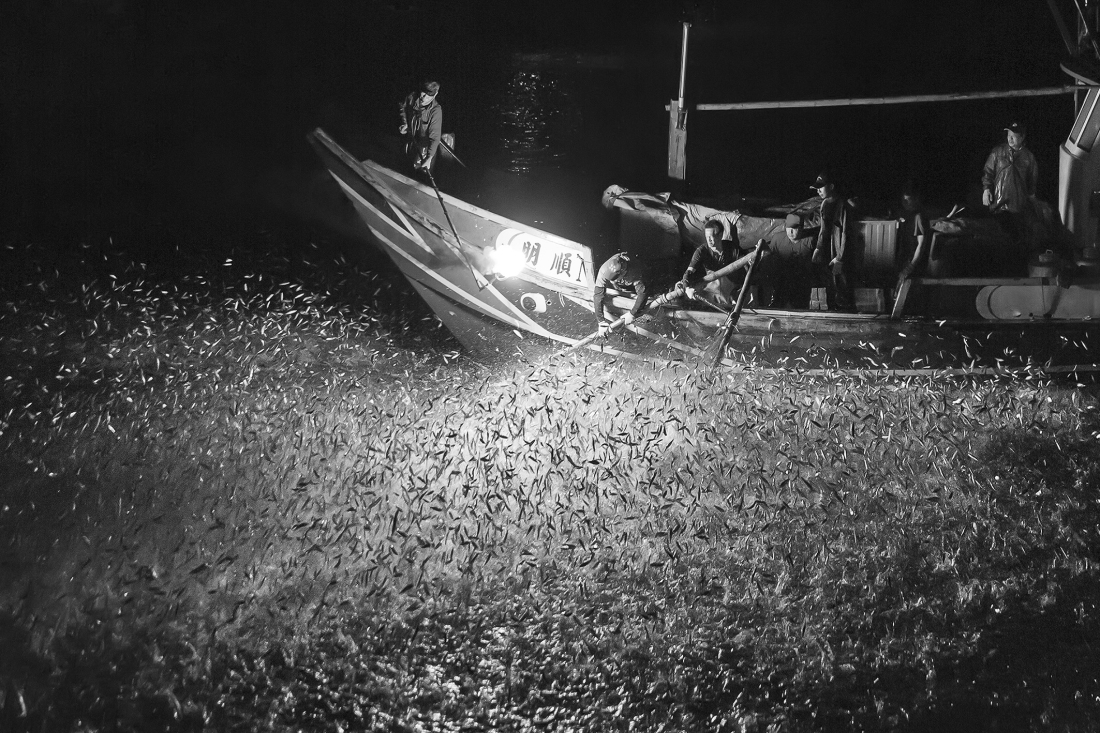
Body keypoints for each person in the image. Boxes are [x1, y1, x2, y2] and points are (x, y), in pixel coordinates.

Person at [981, 121, 1038, 267]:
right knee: (999, 238)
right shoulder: (997, 152)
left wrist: (1031, 198)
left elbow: (1032, 180)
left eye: (1014, 136)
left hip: (1018, 206)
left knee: (1017, 241)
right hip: (999, 205)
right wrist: (986, 189)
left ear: (1023, 137)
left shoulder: (1028, 157)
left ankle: (1015, 268)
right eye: (1008, 135)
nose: (1010, 139)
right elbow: (988, 171)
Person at [808, 172, 855, 311]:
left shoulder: (843, 206)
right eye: (817, 188)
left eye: (821, 187)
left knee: (843, 286)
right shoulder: (824, 205)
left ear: (832, 186)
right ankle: (831, 313)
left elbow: (846, 233)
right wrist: (818, 248)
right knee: (830, 285)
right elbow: (823, 230)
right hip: (828, 252)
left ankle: (846, 316)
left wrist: (840, 258)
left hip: (840, 253)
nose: (818, 190)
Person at [677, 219, 740, 305]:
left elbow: (744, 264)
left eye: (711, 236)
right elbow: (689, 272)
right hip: (712, 286)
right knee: (680, 287)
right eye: (707, 237)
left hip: (732, 286)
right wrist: (687, 288)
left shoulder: (732, 248)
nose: (708, 240)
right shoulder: (701, 251)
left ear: (720, 235)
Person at [764, 213, 816, 308]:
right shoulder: (777, 238)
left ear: (801, 228)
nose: (791, 231)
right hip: (782, 282)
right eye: (789, 227)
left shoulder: (810, 241)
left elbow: (817, 264)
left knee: (800, 308)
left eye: (795, 228)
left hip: (801, 284)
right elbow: (769, 258)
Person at [593, 252, 649, 336]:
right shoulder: (603, 270)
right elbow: (598, 295)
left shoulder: (634, 272)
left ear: (623, 272)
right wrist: (601, 321)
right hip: (623, 283)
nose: (612, 281)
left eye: (615, 279)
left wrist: (632, 313)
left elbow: (643, 293)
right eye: (611, 279)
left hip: (643, 274)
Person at [399, 80, 443, 173]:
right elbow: (402, 107)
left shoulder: (436, 111)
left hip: (424, 145)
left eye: (428, 95)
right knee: (404, 164)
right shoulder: (412, 97)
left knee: (420, 169)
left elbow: (435, 137)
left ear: (435, 95)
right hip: (411, 140)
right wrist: (405, 123)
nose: (423, 97)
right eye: (423, 92)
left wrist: (429, 157)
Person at [896, 186, 929, 281]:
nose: (904, 203)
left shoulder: (919, 217)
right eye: (903, 200)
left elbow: (921, 244)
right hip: (906, 260)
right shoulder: (910, 215)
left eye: (908, 200)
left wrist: (910, 267)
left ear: (916, 199)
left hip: (913, 264)